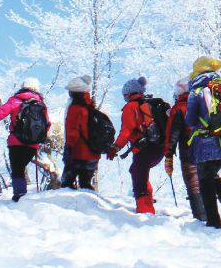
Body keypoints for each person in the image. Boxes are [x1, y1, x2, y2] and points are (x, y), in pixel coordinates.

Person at [185, 56, 221, 229]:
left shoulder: (197, 91)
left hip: (207, 142)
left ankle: (213, 221)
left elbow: (190, 120)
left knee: (204, 180)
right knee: (209, 175)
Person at [0, 76, 49, 202]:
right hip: (33, 144)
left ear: (23, 87)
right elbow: (47, 124)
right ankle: (22, 197)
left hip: (16, 142)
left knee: (17, 169)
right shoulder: (41, 104)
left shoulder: (16, 101)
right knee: (21, 167)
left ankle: (19, 195)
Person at [107, 77, 164, 214]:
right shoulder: (150, 104)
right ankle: (147, 206)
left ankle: (145, 210)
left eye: (124, 95)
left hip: (144, 149)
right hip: (159, 147)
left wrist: (115, 148)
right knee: (137, 171)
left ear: (129, 93)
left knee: (139, 177)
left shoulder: (131, 107)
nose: (124, 98)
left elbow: (126, 130)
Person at [165, 74, 206, 223]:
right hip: (207, 149)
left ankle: (201, 216)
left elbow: (172, 134)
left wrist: (168, 155)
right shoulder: (202, 104)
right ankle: (211, 212)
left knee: (193, 183)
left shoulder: (179, 108)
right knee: (206, 179)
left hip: (188, 151)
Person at [61, 76, 98, 191]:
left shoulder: (75, 109)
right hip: (92, 153)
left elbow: (73, 131)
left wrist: (68, 147)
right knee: (86, 185)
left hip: (78, 152)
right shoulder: (90, 106)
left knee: (67, 185)